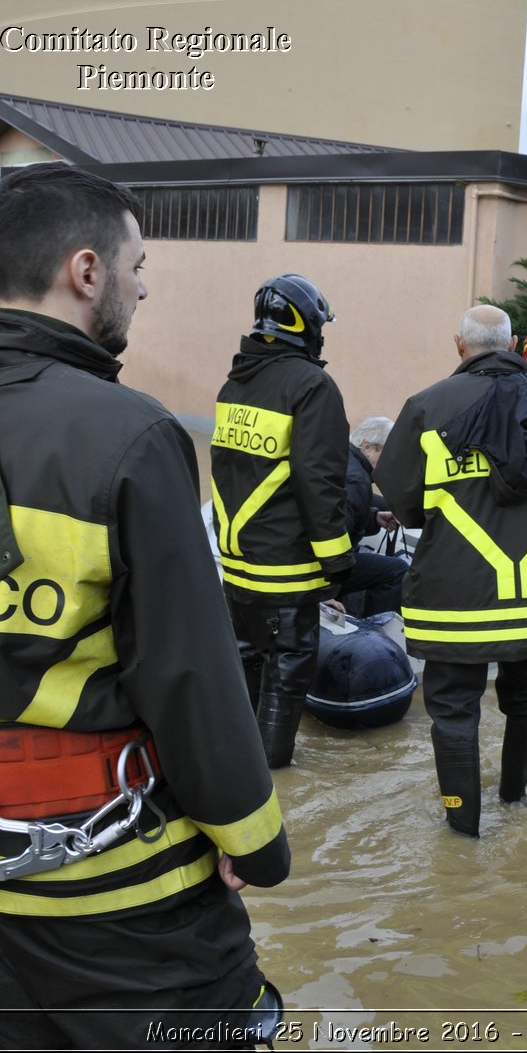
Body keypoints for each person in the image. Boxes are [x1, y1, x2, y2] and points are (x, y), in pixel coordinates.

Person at [0, 162, 290, 1051]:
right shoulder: (132, 435)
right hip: (130, 899)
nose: (144, 288)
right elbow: (191, 676)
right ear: (87, 271)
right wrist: (256, 842)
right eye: (138, 266)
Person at [372, 305, 527, 837]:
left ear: (460, 345)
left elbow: (402, 499)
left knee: (452, 711)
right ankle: (516, 801)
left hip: (455, 594)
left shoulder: (428, 406)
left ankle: (462, 831)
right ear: (513, 342)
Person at [211, 273, 353, 769]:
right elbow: (320, 480)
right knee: (289, 671)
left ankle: (241, 770)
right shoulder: (312, 385)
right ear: (307, 325)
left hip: (236, 564)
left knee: (248, 663)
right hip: (285, 570)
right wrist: (338, 559)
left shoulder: (235, 382)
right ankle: (273, 780)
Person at [340, 415, 406, 617]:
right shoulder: (357, 480)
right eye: (387, 455)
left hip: (314, 563)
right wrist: (323, 593)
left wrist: (373, 518)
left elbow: (338, 515)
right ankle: (375, 635)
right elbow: (331, 532)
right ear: (368, 447)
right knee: (397, 571)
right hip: (321, 570)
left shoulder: (341, 459)